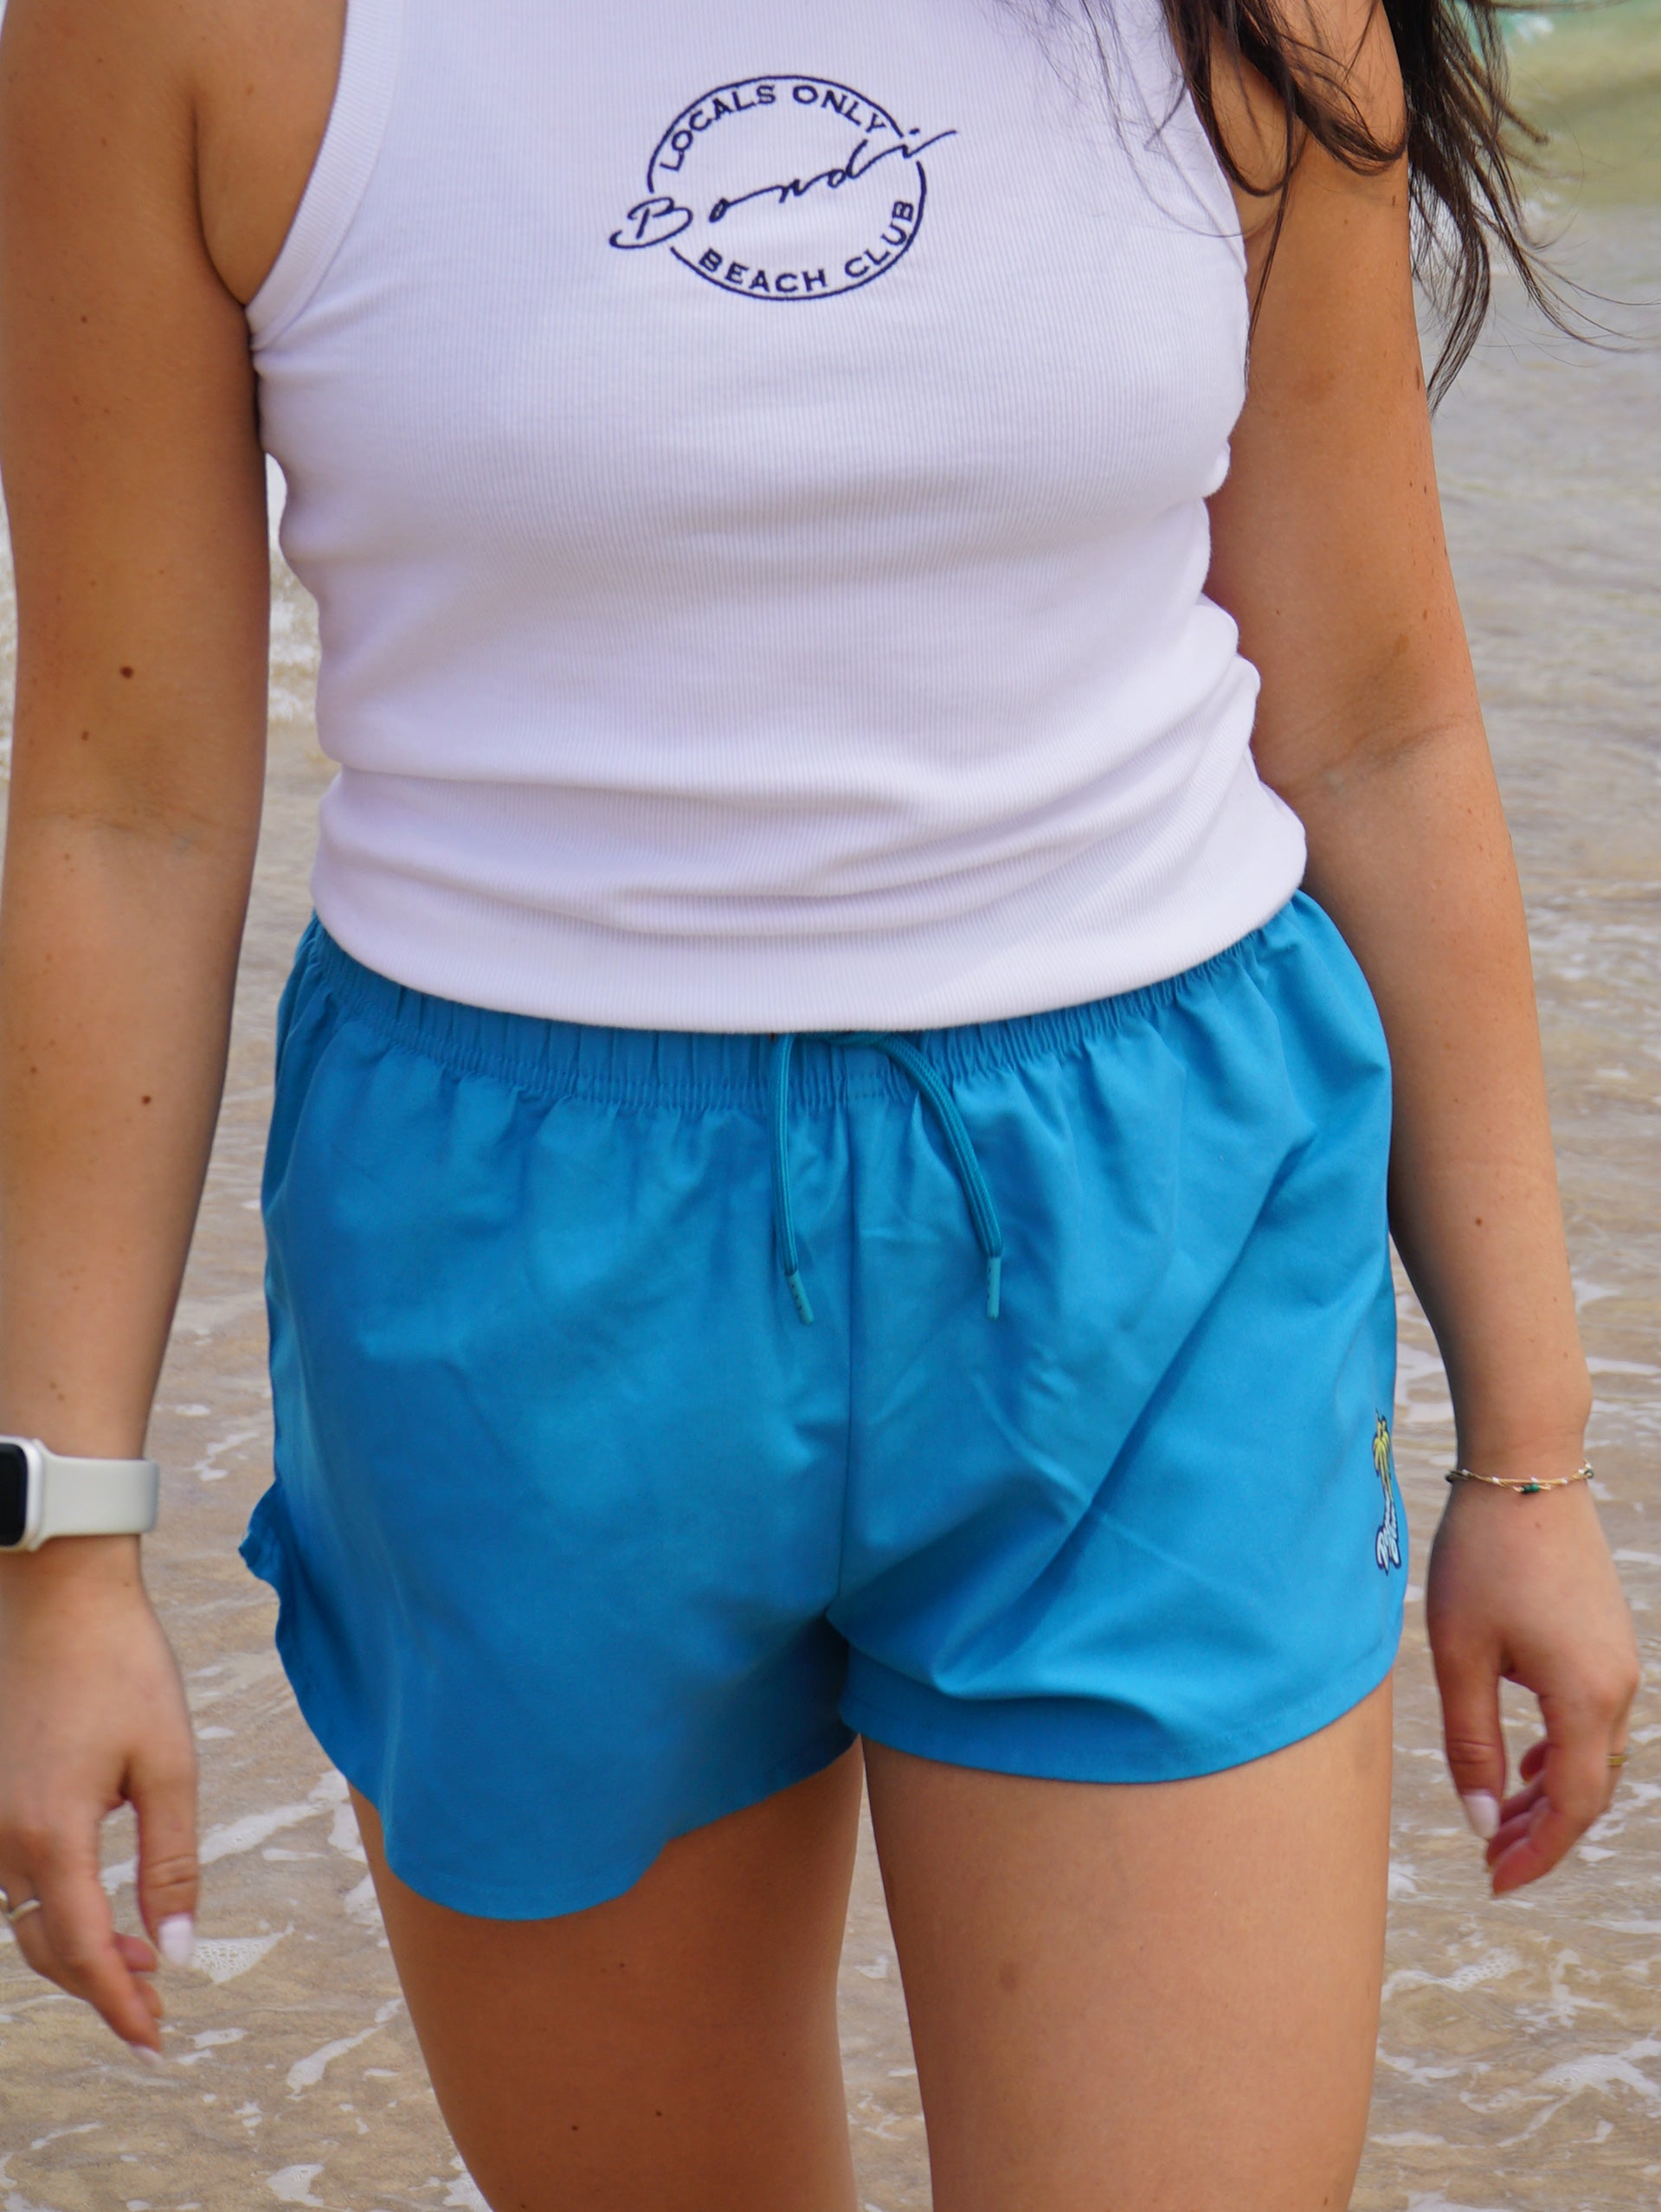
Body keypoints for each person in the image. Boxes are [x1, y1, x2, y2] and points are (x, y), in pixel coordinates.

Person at [0, 0, 1638, 2204]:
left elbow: (1374, 721)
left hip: (1157, 1241)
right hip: (516, 1285)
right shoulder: (187, 31)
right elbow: (123, 807)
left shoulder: (1252, 19)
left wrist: (1529, 1453)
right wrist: (60, 1544)